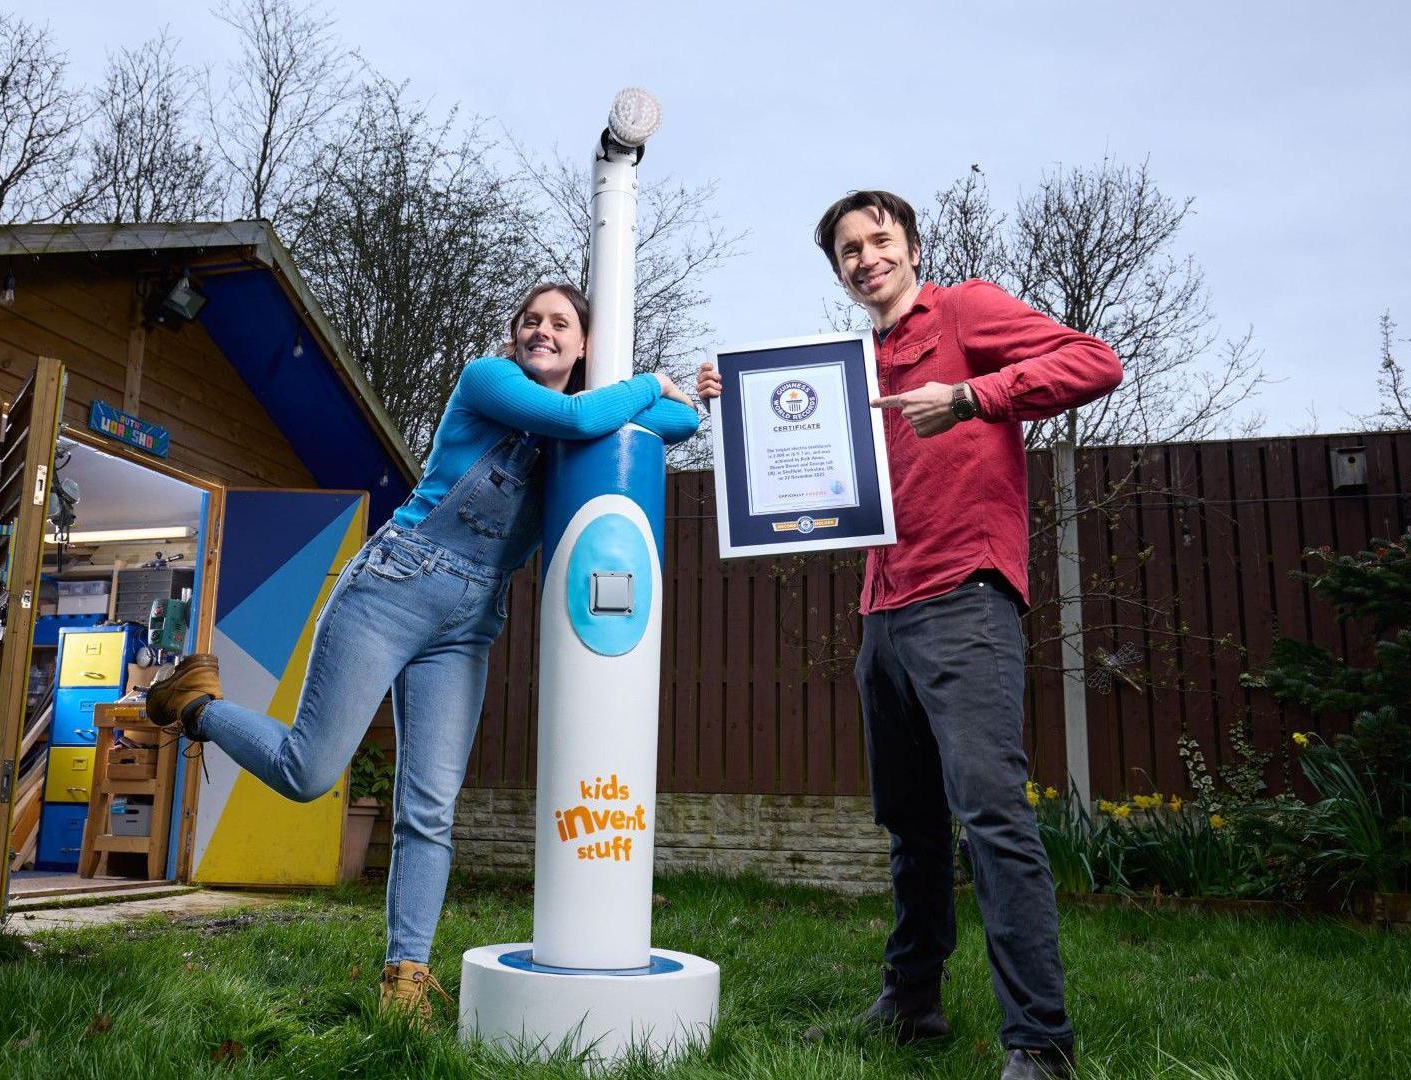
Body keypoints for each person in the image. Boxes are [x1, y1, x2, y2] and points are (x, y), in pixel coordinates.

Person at [147, 282, 701, 1022]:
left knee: (430, 809)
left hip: (470, 621)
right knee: (308, 771)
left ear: (584, 344)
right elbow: (584, 413)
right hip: (394, 586)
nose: (540, 331)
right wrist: (647, 382)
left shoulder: (588, 417)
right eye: (529, 319)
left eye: (560, 324)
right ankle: (196, 706)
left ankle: (404, 979)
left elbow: (672, 427)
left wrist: (687, 397)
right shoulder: (491, 381)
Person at [697, 190, 1121, 1080]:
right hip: (882, 612)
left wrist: (972, 396)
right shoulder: (854, 364)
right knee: (910, 825)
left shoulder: (965, 310)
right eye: (847, 250)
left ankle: (1039, 1044)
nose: (864, 257)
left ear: (913, 246)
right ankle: (912, 1004)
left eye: (878, 239)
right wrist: (733, 403)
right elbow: (799, 464)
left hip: (964, 599)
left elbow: (1095, 363)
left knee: (992, 817)